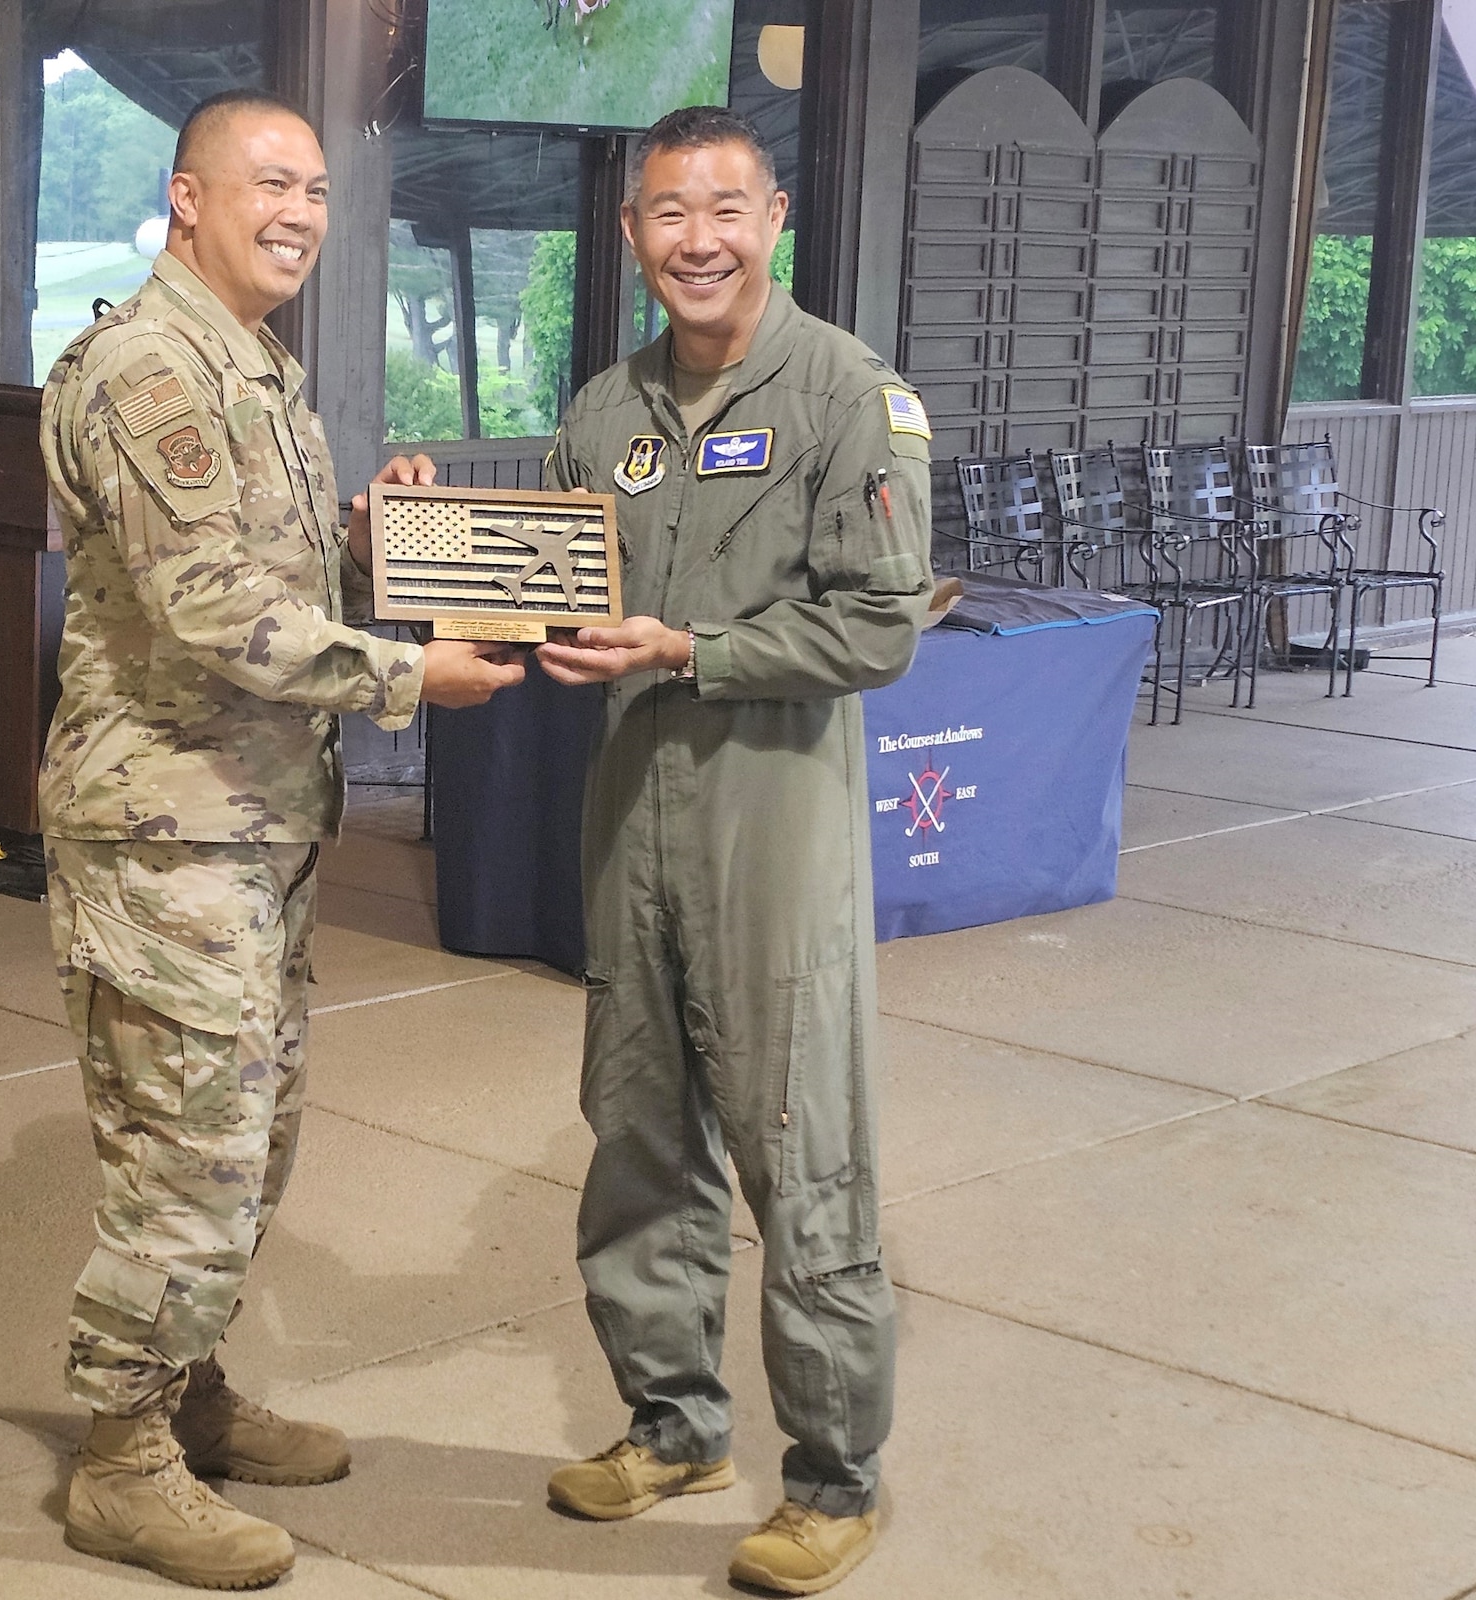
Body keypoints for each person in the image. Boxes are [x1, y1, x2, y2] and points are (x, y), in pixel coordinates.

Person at [38, 88, 522, 1590]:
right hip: (165, 835)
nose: (301, 210)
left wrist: (386, 537)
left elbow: (268, 566)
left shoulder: (253, 367)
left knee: (252, 1144)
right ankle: (120, 1461)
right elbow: (206, 609)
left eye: (315, 186)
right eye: (269, 183)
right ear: (190, 199)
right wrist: (405, 675)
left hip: (248, 834)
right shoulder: (149, 368)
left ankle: (187, 1398)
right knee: (186, 1155)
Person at [536, 105, 933, 1596]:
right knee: (637, 1128)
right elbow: (557, 574)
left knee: (799, 1148)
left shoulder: (849, 396)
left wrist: (695, 648)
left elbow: (881, 623)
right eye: (665, 214)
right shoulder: (603, 409)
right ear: (633, 235)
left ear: (774, 221)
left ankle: (834, 1477)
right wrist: (427, 547)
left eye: (724, 209)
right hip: (631, 814)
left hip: (774, 824)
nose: (695, 239)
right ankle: (673, 1423)